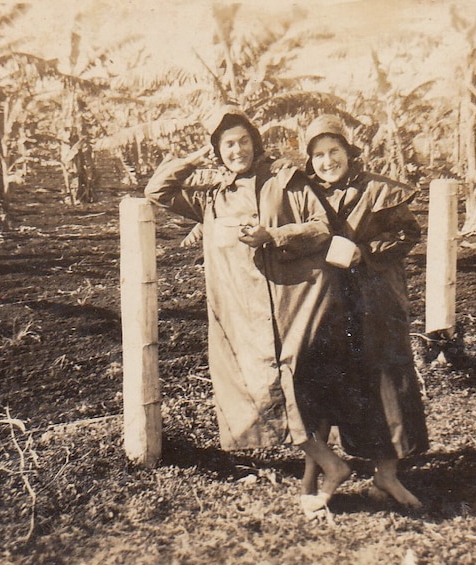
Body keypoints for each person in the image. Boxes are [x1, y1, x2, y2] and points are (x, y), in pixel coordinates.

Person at [144, 105, 350, 520]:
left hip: (292, 303)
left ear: (255, 142)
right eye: (227, 145)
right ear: (217, 152)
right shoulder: (213, 196)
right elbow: (157, 191)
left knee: (291, 387)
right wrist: (189, 161)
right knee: (261, 390)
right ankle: (321, 471)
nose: (236, 150)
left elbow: (320, 226)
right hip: (242, 313)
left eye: (242, 141)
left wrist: (272, 235)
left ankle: (329, 468)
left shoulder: (285, 180)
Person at [301, 114, 429, 509]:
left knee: (387, 384)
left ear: (348, 152)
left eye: (333, 151)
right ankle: (312, 481)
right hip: (329, 303)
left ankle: (386, 476)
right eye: (318, 155)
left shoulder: (378, 190)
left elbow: (409, 234)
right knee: (323, 383)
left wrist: (366, 252)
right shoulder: (307, 194)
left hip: (376, 302)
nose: (327, 162)